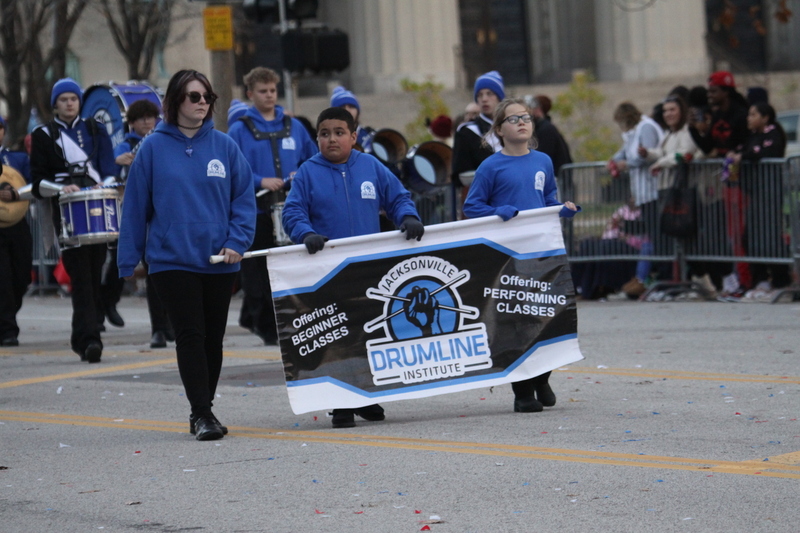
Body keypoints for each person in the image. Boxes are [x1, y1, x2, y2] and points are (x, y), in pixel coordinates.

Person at [117, 69, 256, 441]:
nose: (202, 103)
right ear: (175, 100)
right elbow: (135, 207)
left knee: (213, 339)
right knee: (190, 335)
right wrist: (127, 259)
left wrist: (237, 242)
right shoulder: (151, 148)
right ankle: (202, 413)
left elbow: (243, 200)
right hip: (171, 260)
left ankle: (202, 410)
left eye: (207, 97)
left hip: (219, 260)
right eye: (194, 96)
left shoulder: (225, 146)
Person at [282, 106, 425, 429]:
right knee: (338, 337)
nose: (331, 139)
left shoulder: (371, 166)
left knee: (367, 332)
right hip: (327, 272)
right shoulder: (307, 172)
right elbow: (292, 213)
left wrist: (408, 217)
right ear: (317, 138)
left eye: (338, 132)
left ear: (353, 137)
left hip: (367, 269)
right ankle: (340, 404)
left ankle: (365, 394)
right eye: (324, 133)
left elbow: (398, 197)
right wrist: (306, 233)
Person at [463, 98, 578, 413]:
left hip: (542, 252)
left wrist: (562, 208)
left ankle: (541, 376)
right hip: (507, 257)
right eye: (514, 119)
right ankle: (523, 391)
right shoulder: (491, 166)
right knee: (516, 320)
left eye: (526, 117)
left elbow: (548, 197)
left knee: (547, 317)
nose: (522, 122)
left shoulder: (542, 161)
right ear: (499, 129)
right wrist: (497, 211)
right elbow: (472, 206)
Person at [228, 67, 318, 345]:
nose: (269, 96)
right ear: (250, 94)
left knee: (292, 268)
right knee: (256, 272)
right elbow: (233, 169)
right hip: (255, 211)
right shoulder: (239, 130)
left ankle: (288, 321)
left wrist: (298, 176)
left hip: (291, 210)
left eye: (272, 91)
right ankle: (266, 325)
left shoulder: (295, 127)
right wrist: (260, 180)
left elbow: (312, 160)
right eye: (263, 91)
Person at [31, 78, 118, 363]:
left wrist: (100, 185)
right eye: (63, 99)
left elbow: (109, 169)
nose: (69, 103)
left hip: (95, 207)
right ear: (55, 104)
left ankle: (82, 335)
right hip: (66, 212)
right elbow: (38, 182)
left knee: (94, 273)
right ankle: (91, 339)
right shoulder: (44, 135)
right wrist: (62, 188)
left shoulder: (95, 129)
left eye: (74, 98)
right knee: (80, 275)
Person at [113, 99, 174, 349]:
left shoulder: (163, 141)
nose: (147, 122)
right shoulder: (128, 144)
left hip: (165, 213)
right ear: (132, 122)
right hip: (139, 213)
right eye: (141, 118)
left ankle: (170, 324)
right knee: (153, 275)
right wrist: (124, 159)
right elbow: (117, 159)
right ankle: (158, 328)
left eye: (151, 117)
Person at [727, 102, 790, 291]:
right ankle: (760, 280)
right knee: (751, 236)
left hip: (770, 193)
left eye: (753, 114)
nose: (749, 118)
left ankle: (781, 280)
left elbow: (767, 151)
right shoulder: (752, 137)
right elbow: (744, 150)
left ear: (765, 117)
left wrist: (744, 156)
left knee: (770, 236)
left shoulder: (773, 133)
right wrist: (736, 154)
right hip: (754, 194)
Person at [452, 71, 505, 215]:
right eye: (480, 95)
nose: (484, 99)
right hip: (481, 203)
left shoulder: (510, 127)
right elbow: (459, 173)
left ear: (500, 97)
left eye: (489, 94)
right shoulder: (467, 131)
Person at [0, 116, 33, 346]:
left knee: (21, 276)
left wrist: (16, 194)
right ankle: (8, 330)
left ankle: (8, 312)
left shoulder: (18, 158)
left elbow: (34, 185)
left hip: (18, 224)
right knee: (2, 278)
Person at [330, 86, 374, 151]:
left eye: (351, 107)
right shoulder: (326, 139)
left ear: (358, 111)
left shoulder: (371, 136)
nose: (347, 110)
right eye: (342, 107)